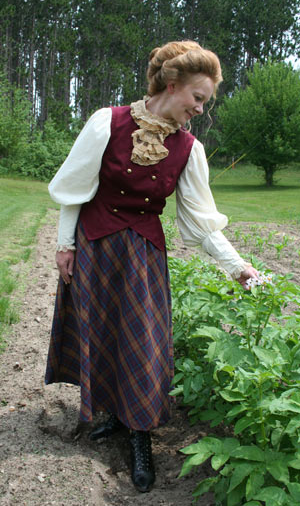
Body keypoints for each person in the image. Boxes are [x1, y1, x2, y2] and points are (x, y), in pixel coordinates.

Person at [45, 40, 258, 493]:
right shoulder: (108, 122)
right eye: (198, 98)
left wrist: (237, 266)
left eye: (206, 102)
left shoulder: (189, 149)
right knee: (102, 331)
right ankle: (115, 419)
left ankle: (139, 434)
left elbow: (201, 222)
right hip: (95, 244)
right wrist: (65, 245)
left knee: (144, 343)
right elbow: (77, 191)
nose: (201, 109)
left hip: (142, 255)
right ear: (171, 84)